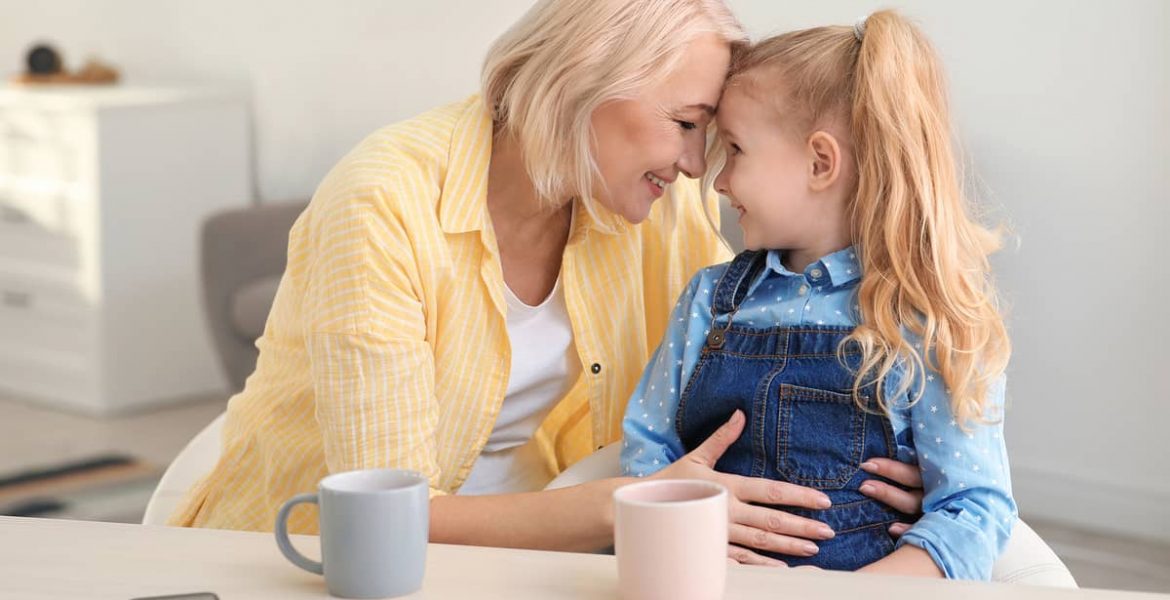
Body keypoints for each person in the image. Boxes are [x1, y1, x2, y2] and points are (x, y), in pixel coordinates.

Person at [171, 0, 923, 563]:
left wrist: (873, 470)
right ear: (587, 83)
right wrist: (636, 507)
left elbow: (724, 385)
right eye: (689, 123)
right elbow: (383, 518)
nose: (700, 166)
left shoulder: (656, 206)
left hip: (546, 546)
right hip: (311, 561)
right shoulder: (383, 201)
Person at [622, 11, 1017, 578]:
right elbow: (646, 447)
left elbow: (972, 511)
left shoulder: (926, 319)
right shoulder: (710, 298)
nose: (719, 181)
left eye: (734, 149)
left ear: (819, 162)